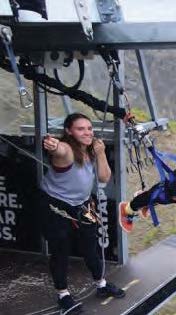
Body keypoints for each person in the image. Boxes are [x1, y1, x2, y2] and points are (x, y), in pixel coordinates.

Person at [40, 113, 125, 314]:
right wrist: (52, 144)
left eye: (89, 128)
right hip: (55, 206)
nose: (87, 132)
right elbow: (58, 149)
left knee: (91, 247)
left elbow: (104, 177)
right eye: (81, 129)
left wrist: (101, 153)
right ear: (69, 131)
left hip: (83, 205)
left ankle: (101, 284)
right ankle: (63, 295)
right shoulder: (67, 150)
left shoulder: (91, 150)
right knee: (61, 250)